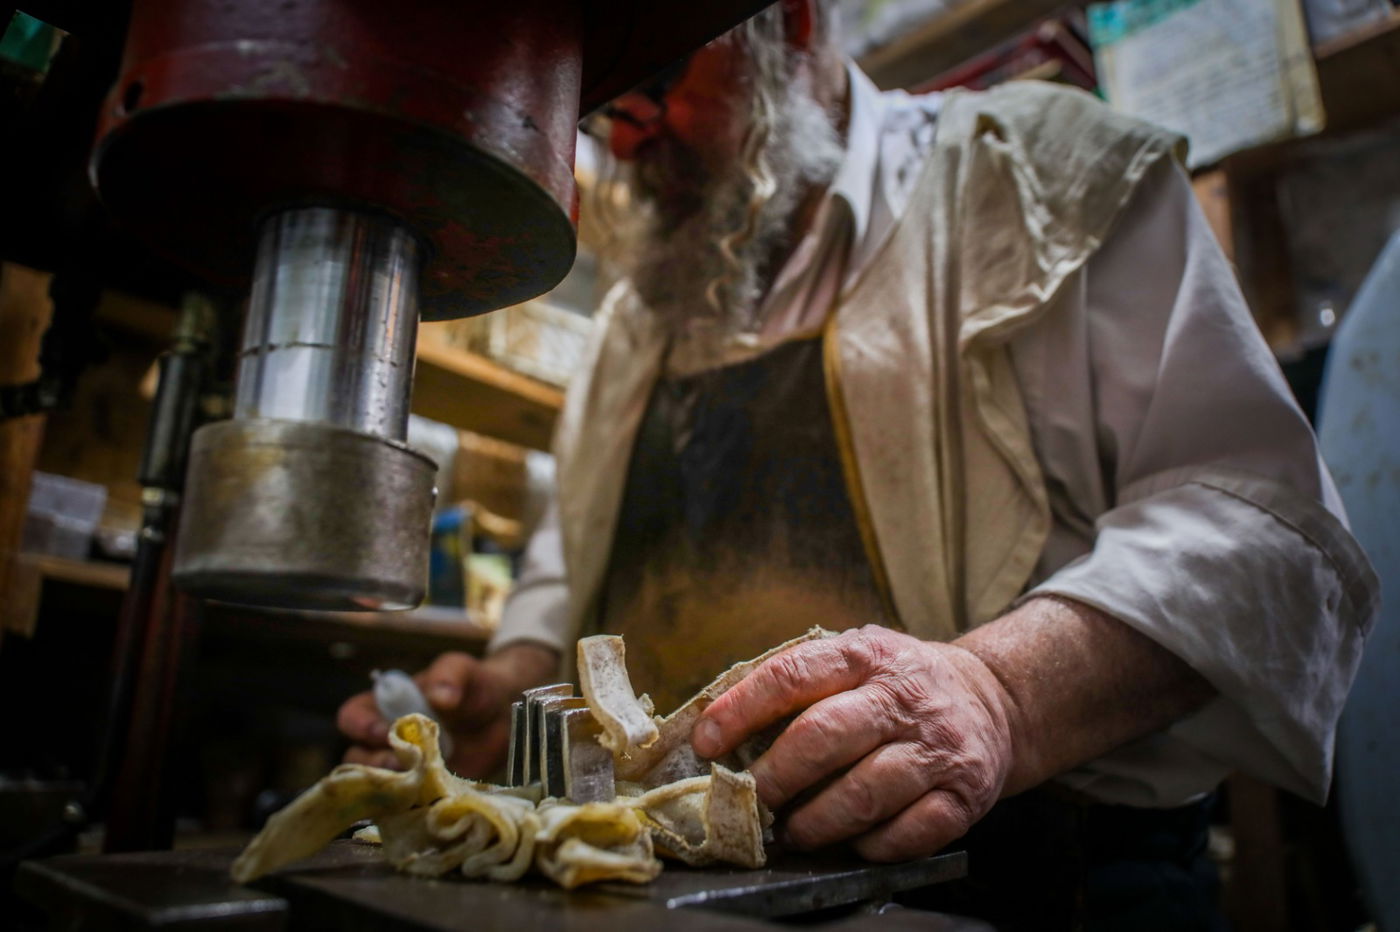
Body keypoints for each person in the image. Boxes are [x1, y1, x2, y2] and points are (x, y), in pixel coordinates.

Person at [339, 2, 1378, 925]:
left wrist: (997, 693)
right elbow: (571, 567)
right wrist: (512, 688)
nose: (628, 135)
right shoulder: (631, 322)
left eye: (654, 81)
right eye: (605, 107)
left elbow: (1265, 533)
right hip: (672, 895)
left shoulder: (1034, 183)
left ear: (787, 25)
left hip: (1027, 889)